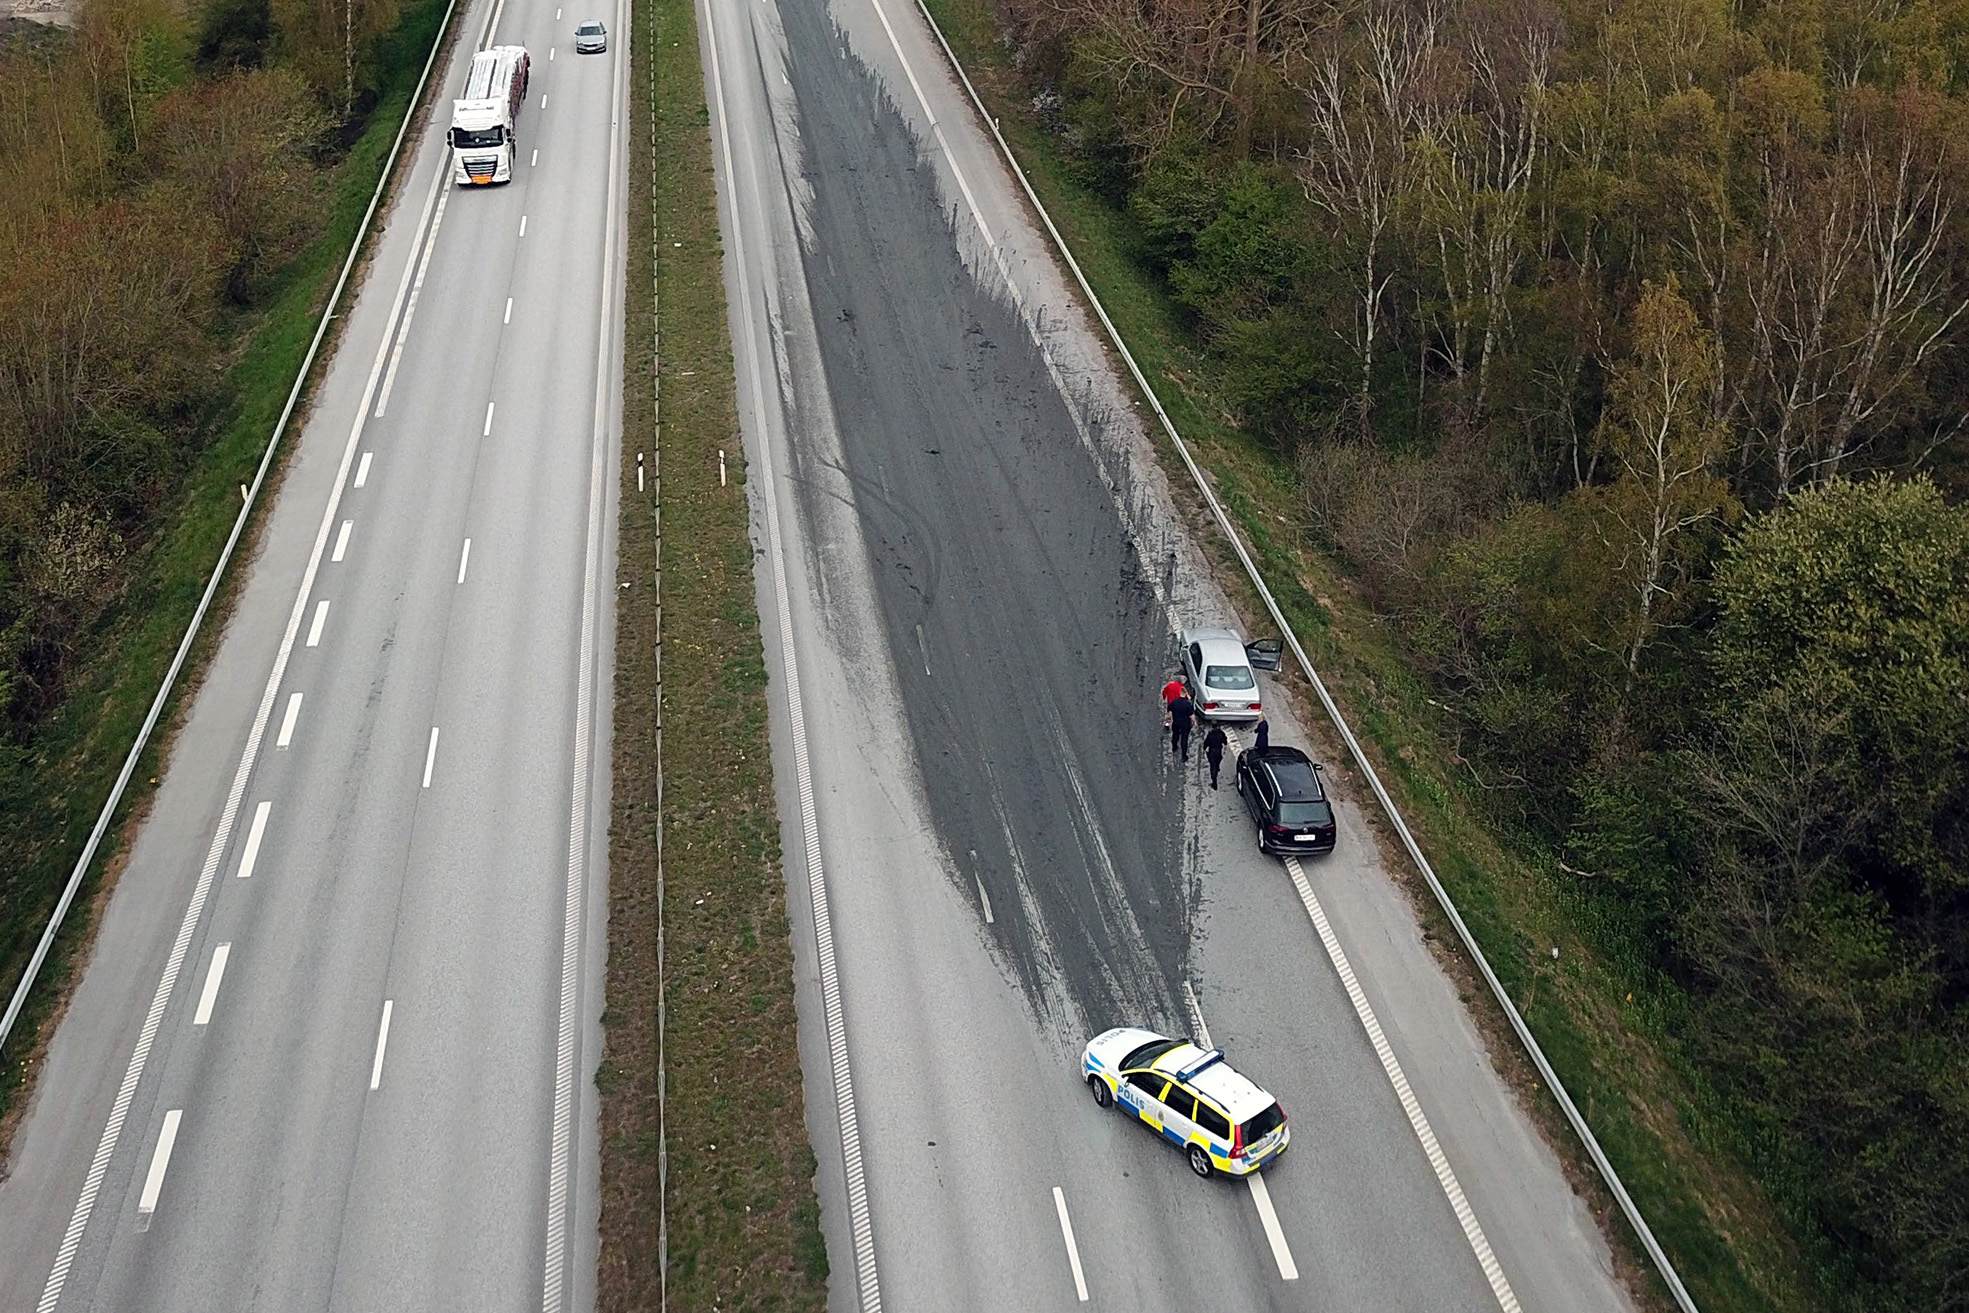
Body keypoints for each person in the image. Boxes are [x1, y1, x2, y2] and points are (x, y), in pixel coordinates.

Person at [1168, 693, 1195, 761]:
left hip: (1176, 722)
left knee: (1175, 735)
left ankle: (1174, 747)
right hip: (1185, 724)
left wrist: (1170, 718)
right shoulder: (1187, 704)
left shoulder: (1174, 702)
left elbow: (1169, 710)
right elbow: (1191, 715)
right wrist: (1194, 722)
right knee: (1184, 739)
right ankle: (1184, 756)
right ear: (1185, 695)